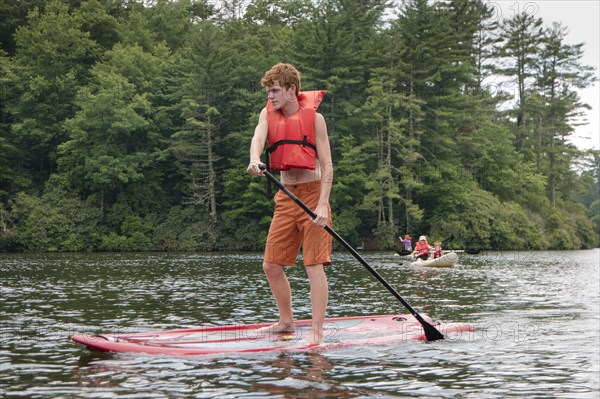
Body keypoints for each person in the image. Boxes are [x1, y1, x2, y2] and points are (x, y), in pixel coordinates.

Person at [246, 63, 333, 344]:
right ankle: (286, 322)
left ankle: (317, 332)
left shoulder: (315, 119)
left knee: (313, 265)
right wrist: (254, 158)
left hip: (312, 194)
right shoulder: (266, 113)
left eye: (274, 91)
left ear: (291, 90)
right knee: (271, 265)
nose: (270, 97)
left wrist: (322, 205)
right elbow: (258, 137)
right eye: (269, 92)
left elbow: (328, 166)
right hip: (286, 195)